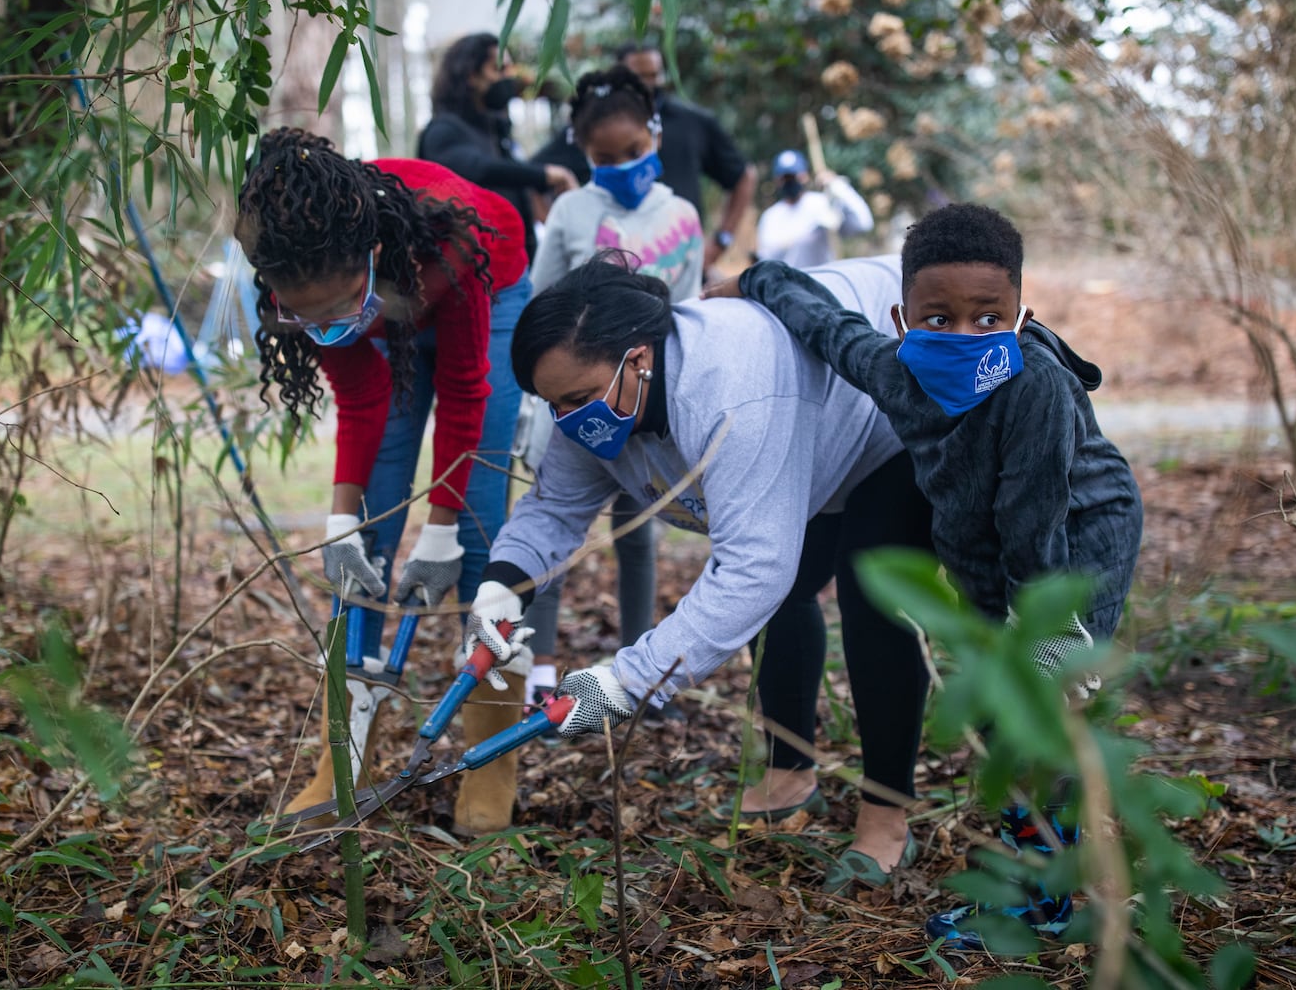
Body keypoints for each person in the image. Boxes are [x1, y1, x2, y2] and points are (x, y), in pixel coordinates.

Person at [711, 203, 1144, 945]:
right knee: (997, 714)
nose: (965, 336)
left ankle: (1041, 902)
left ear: (1020, 315)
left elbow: (1034, 525)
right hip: (984, 555)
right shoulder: (895, 370)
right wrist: (752, 278)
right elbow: (825, 325)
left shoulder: (1034, 387)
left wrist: (1043, 642)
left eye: (988, 318)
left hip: (1075, 545)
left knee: (1032, 715)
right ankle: (1074, 877)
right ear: (901, 319)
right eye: (937, 320)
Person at [462, 252, 936, 893]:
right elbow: (553, 509)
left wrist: (627, 680)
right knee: (789, 593)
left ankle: (885, 815)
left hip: (883, 418)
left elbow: (753, 569)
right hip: (808, 439)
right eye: (553, 405)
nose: (568, 421)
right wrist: (499, 589)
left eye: (576, 400)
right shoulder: (590, 406)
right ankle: (790, 773)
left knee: (870, 594)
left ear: (639, 359)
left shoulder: (732, 385)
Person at [236, 127, 533, 836]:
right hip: (389, 307)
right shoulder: (297, 277)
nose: (323, 325)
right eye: (306, 314)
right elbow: (364, 401)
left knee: (478, 519)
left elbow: (465, 391)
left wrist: (440, 534)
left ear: (369, 257)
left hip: (485, 284)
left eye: (336, 308)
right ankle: (342, 762)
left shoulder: (454, 241)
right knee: (370, 524)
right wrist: (342, 526)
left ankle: (490, 766)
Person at [522, 64, 706, 702]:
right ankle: (537, 664)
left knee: (638, 531)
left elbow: (688, 314)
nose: (623, 165)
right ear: (583, 151)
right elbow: (540, 301)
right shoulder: (572, 210)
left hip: (643, 404)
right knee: (555, 528)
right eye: (606, 157)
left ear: (654, 136)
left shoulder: (682, 214)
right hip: (572, 408)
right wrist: (535, 400)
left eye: (634, 152)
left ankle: (639, 662)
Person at [532, 43, 757, 275]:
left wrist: (721, 239)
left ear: (655, 137)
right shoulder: (591, 130)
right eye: (607, 158)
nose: (649, 84)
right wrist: (561, 223)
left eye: (655, 75)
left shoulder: (692, 125)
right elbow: (532, 175)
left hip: (676, 262)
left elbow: (743, 175)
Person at [419, 32, 579, 260]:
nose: (508, 77)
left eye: (509, 69)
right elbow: (479, 168)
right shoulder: (443, 131)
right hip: (474, 268)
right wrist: (546, 175)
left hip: (516, 263)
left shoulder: (496, 130)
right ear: (471, 75)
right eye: (498, 69)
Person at [754, 149, 874, 269]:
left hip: (821, 282)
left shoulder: (821, 203)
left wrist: (837, 186)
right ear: (777, 180)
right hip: (787, 286)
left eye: (794, 177)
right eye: (785, 178)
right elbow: (765, 260)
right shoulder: (770, 217)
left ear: (805, 176)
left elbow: (863, 224)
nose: (790, 182)